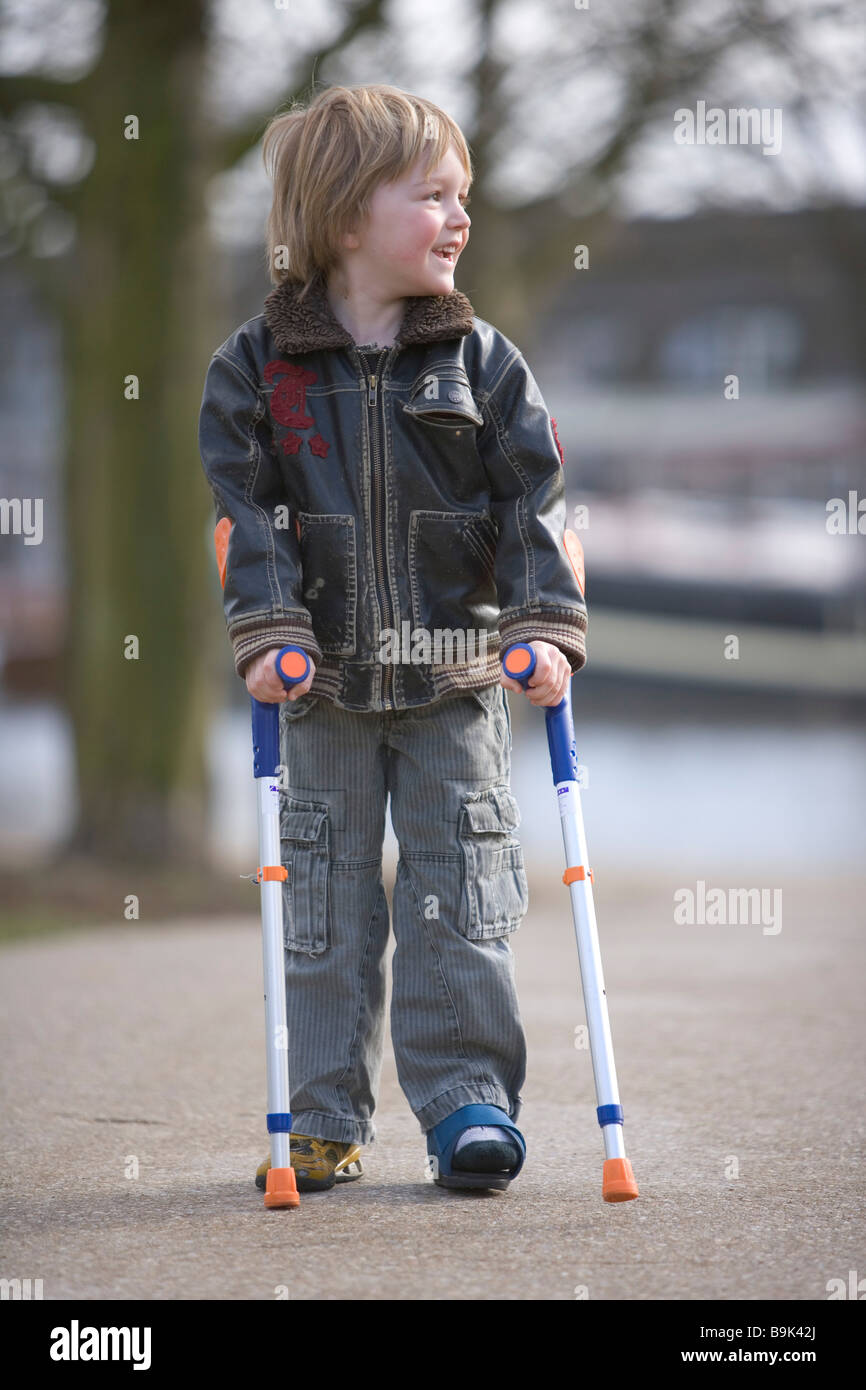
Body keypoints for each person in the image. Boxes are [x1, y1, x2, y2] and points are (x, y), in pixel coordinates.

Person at [198, 83, 588, 1194]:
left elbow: (529, 506)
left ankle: (465, 1095)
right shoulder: (257, 371)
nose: (458, 217)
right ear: (341, 218)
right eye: (431, 195)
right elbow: (247, 511)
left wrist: (540, 627)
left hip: (455, 679)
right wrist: (269, 628)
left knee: (456, 890)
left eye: (461, 195)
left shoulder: (481, 363)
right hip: (314, 688)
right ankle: (320, 1109)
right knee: (320, 902)